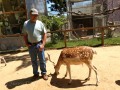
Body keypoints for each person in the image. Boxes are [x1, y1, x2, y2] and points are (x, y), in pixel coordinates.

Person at [22, 8, 48, 80]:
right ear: (30, 15)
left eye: (36, 15)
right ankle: (36, 74)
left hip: (39, 44)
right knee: (33, 61)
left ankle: (44, 73)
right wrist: (26, 43)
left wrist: (43, 44)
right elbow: (24, 34)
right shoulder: (26, 23)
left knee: (42, 60)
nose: (35, 16)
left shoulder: (40, 23)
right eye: (33, 15)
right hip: (31, 46)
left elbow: (45, 33)